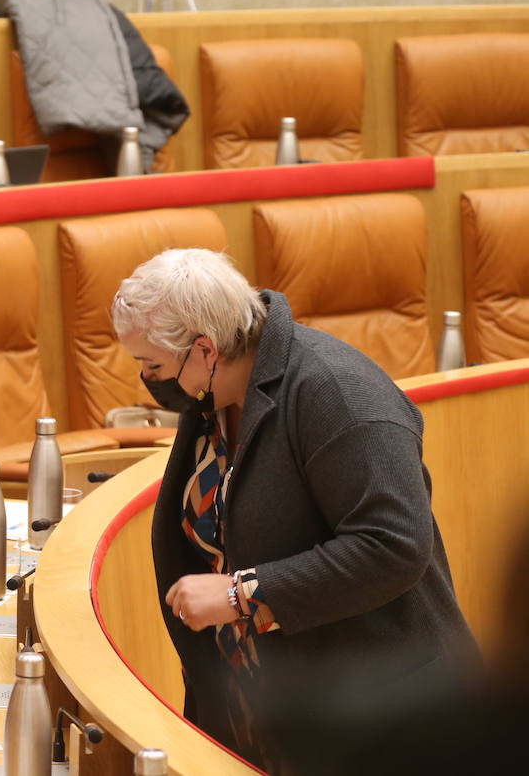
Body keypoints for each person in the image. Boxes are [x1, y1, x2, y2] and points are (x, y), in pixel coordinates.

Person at [110, 248, 478, 771]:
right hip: (276, 711)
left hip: (386, 725)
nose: (148, 380)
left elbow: (394, 546)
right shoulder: (215, 396)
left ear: (206, 350)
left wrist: (242, 594)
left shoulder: (340, 396)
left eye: (152, 365)